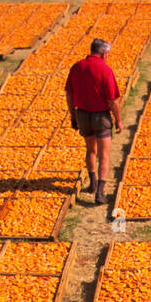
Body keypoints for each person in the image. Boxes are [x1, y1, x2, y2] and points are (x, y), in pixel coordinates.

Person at [64, 37, 122, 206]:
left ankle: (92, 183)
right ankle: (100, 193)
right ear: (104, 53)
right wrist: (118, 120)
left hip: (82, 114)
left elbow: (69, 93)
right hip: (100, 116)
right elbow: (113, 100)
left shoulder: (77, 67)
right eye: (108, 54)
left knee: (90, 150)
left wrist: (73, 116)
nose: (108, 56)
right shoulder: (105, 70)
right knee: (104, 155)